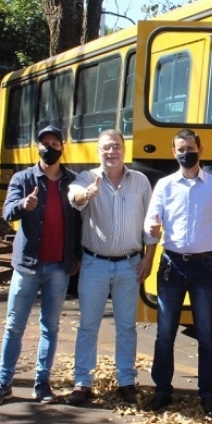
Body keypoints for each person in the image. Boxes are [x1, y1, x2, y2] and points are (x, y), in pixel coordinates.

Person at [0, 125, 82, 406]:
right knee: (14, 326)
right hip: (27, 264)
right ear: (36, 147)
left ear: (63, 147)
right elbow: (6, 210)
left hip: (58, 267)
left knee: (50, 327)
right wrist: (22, 206)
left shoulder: (71, 182)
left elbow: (78, 223)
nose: (49, 148)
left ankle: (42, 384)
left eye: (54, 143)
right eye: (44, 143)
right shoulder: (23, 178)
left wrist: (75, 256)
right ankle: (3, 384)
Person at [144, 128, 212, 416]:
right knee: (165, 332)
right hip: (171, 264)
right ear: (173, 152)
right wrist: (151, 229)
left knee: (206, 333)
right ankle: (162, 390)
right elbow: (151, 222)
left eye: (190, 148)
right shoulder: (164, 185)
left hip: (205, 267)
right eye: (181, 149)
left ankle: (207, 392)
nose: (186, 153)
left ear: (201, 149)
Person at [65, 129, 157, 406]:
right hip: (94, 264)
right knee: (88, 326)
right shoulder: (86, 179)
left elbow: (151, 225)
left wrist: (149, 257)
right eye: (106, 147)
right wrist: (86, 195)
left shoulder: (140, 182)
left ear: (124, 150)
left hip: (130, 265)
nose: (111, 152)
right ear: (98, 151)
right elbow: (74, 197)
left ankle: (126, 381)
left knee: (126, 327)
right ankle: (83, 382)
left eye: (116, 147)